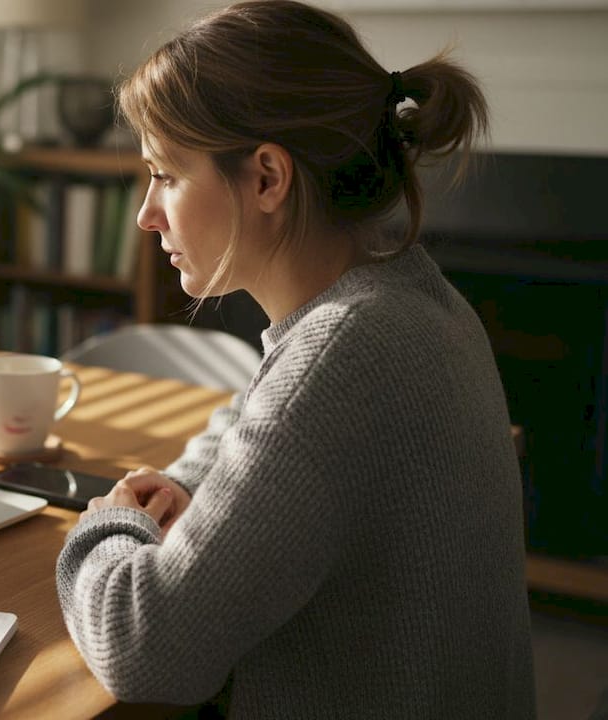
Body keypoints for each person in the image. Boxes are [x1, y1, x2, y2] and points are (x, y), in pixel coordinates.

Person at [54, 2, 535, 718]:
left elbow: (142, 646)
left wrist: (108, 523)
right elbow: (257, 410)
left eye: (167, 175)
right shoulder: (403, 295)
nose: (146, 214)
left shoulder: (344, 352)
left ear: (267, 179)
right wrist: (183, 487)